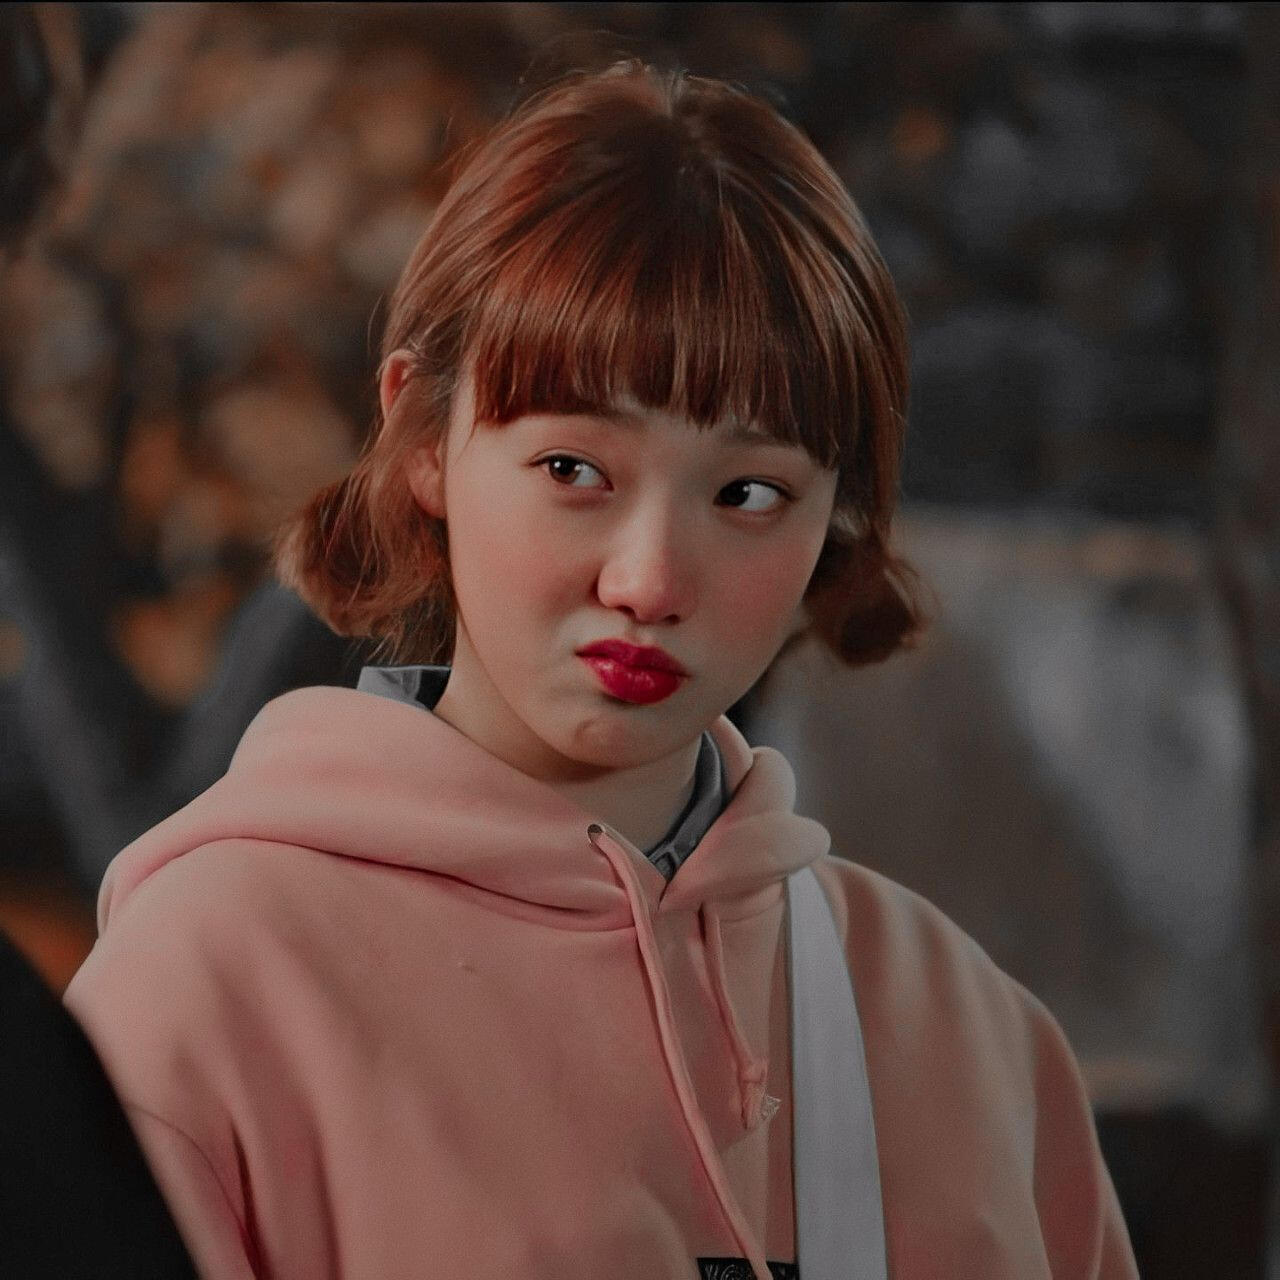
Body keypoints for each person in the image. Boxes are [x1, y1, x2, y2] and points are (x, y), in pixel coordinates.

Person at [64, 61, 1138, 1279]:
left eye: (748, 493)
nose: (648, 580)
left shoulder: (972, 1040)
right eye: (573, 468)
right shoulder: (206, 995)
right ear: (424, 436)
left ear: (832, 513)